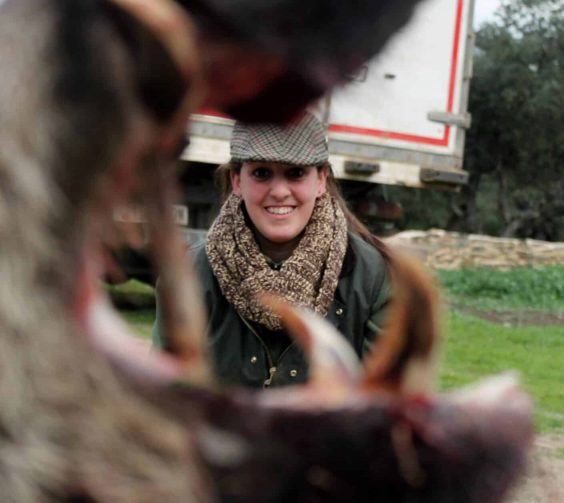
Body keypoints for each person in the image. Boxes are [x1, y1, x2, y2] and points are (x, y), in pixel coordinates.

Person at [154, 112, 391, 389]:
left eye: (295, 173)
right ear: (237, 181)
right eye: (262, 173)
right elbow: (165, 396)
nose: (279, 191)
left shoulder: (372, 275)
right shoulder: (191, 271)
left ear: (321, 180)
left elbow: (383, 403)